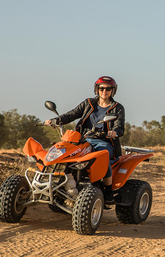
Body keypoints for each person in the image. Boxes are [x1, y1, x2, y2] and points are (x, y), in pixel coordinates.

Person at [44, 76, 125, 204]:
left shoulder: (117, 108)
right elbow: (72, 114)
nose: (104, 91)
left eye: (108, 88)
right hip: (82, 139)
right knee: (66, 156)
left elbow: (120, 127)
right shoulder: (88, 103)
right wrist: (56, 120)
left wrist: (114, 132)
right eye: (101, 88)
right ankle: (63, 185)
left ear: (113, 90)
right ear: (97, 89)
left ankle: (108, 191)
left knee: (103, 157)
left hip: (104, 141)